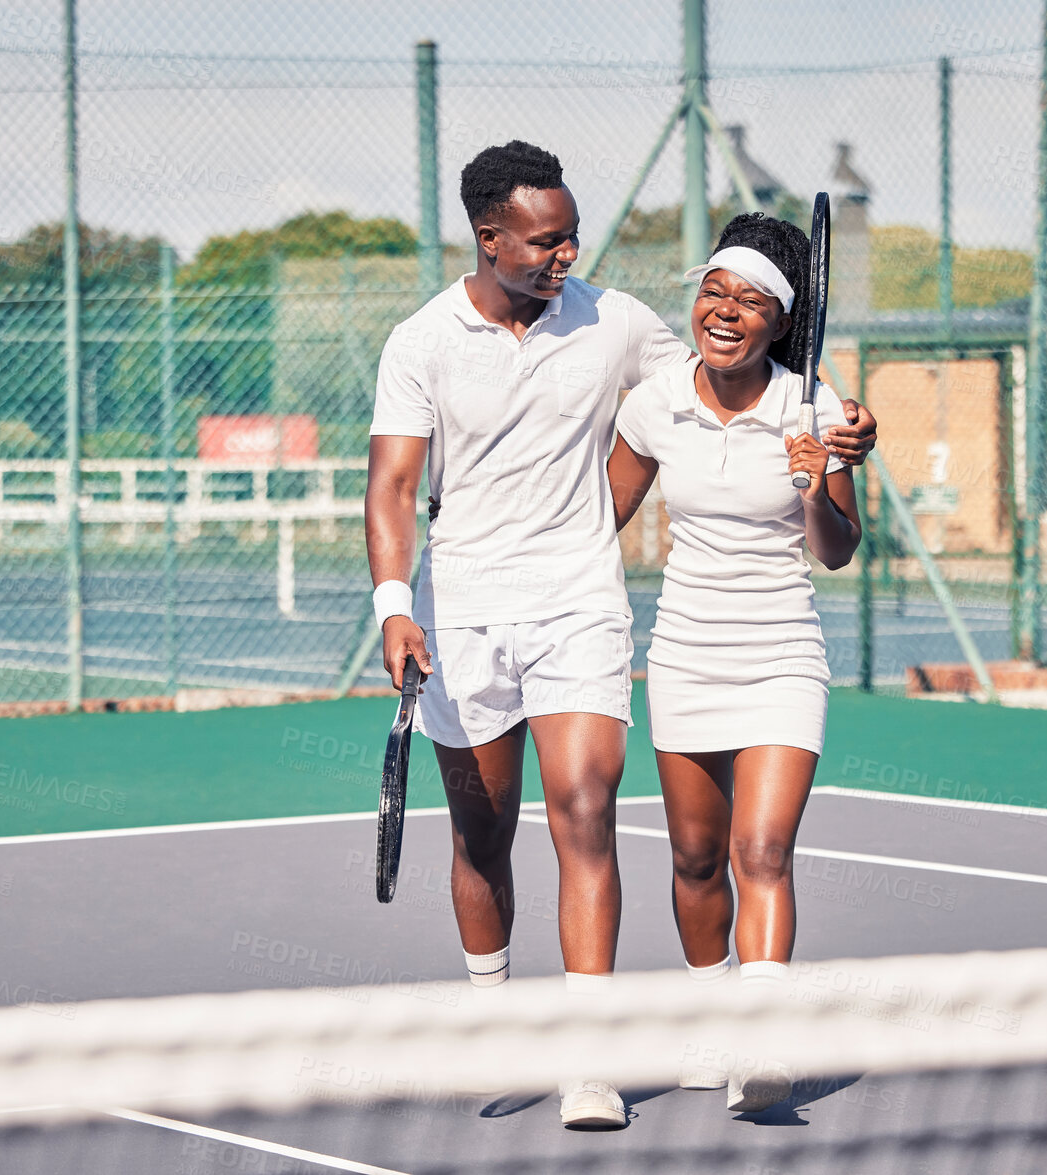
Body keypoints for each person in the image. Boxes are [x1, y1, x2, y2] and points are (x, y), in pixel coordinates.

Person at [366, 142, 876, 1128]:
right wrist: (395, 602)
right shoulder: (419, 341)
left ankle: (588, 1058)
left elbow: (736, 369)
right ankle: (492, 1015)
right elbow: (390, 485)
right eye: (546, 241)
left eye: (570, 237)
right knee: (481, 835)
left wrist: (849, 426)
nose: (566, 256)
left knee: (586, 809)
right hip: (459, 606)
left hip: (579, 606)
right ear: (489, 238)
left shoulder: (612, 321)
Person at [606, 212, 863, 1113]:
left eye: (750, 300)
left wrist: (812, 480)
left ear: (782, 321)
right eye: (714, 290)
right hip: (683, 652)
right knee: (695, 858)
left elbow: (835, 549)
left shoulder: (820, 409)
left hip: (784, 652)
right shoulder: (653, 403)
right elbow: (597, 519)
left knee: (763, 849)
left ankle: (763, 1048)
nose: (724, 310)